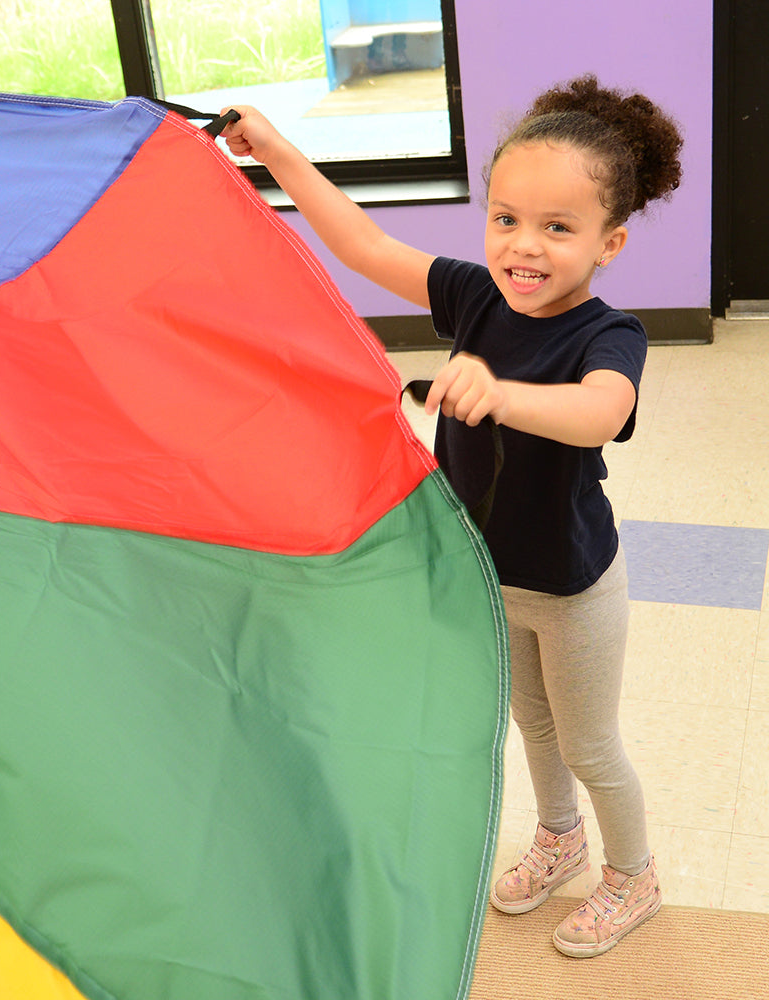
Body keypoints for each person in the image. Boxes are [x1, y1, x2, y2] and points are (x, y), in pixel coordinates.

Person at [221, 75, 683, 958]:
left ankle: (633, 874)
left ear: (609, 242)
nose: (524, 247)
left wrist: (501, 393)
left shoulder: (610, 335)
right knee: (531, 722)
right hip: (484, 572)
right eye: (506, 218)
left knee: (589, 743)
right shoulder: (474, 296)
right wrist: (277, 154)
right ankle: (560, 839)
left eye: (558, 227)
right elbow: (362, 243)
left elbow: (596, 413)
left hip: (575, 588)